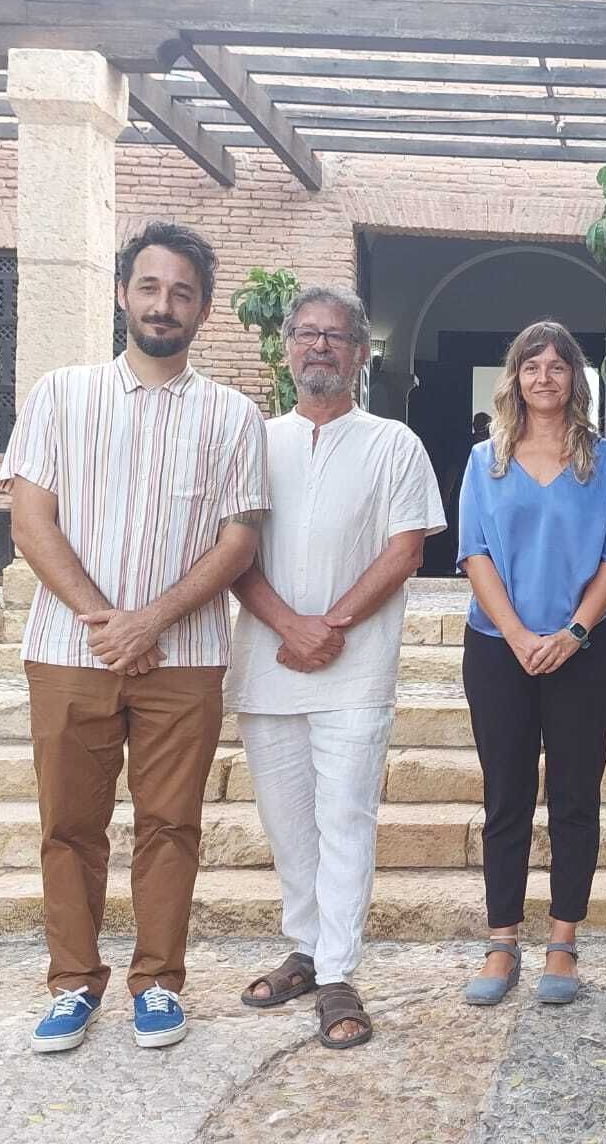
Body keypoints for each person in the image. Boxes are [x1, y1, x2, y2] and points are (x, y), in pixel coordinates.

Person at [0, 222, 268, 1053]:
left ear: (204, 309)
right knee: (69, 825)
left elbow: (238, 539)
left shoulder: (233, 414)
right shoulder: (61, 394)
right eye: (150, 287)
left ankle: (159, 983)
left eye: (182, 292)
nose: (164, 304)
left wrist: (150, 621)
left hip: (182, 659)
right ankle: (73, 984)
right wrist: (109, 623)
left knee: (170, 824)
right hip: (69, 650)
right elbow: (29, 520)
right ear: (123, 294)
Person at [226, 286, 445, 1049]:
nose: (321, 347)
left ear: (359, 354)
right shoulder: (250, 438)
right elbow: (231, 550)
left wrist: (330, 626)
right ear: (287, 347)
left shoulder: (393, 444)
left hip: (354, 670)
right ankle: (305, 949)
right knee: (289, 824)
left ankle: (340, 971)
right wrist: (290, 626)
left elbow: (405, 548)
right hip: (266, 663)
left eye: (337, 336)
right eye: (308, 334)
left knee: (346, 819)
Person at [457, 320, 606, 1007]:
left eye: (559, 366)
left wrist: (572, 634)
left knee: (574, 797)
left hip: (583, 651)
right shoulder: (484, 460)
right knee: (504, 797)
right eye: (533, 366)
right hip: (499, 648)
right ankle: (502, 942)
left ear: (575, 379)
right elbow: (475, 555)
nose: (545, 377)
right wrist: (520, 635)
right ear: (515, 378)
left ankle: (563, 940)